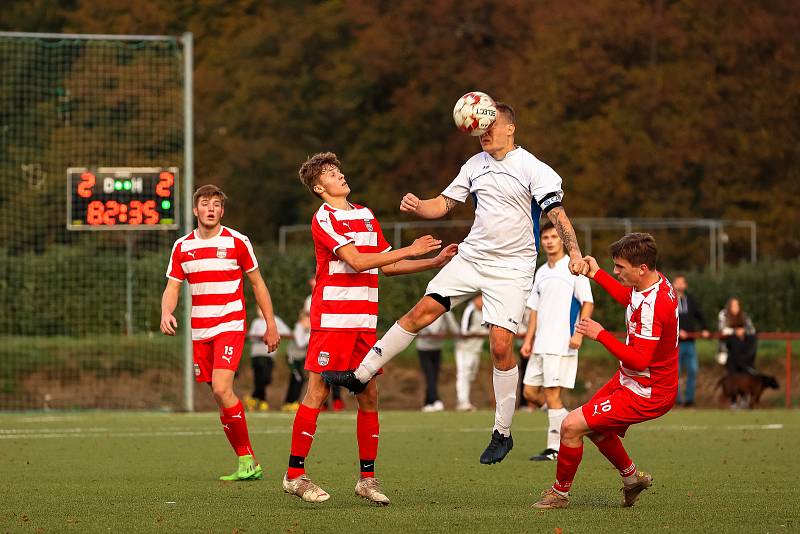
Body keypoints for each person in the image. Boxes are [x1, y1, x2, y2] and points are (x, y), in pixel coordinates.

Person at [323, 102, 589, 465]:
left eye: (490, 125)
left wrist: (574, 253)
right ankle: (360, 373)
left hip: (512, 267)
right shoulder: (473, 165)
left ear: (510, 128)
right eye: (479, 127)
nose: (483, 132)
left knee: (499, 346)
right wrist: (418, 205)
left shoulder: (534, 168)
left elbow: (557, 214)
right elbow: (443, 205)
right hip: (472, 256)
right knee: (421, 312)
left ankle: (503, 432)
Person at [282, 152, 457, 504]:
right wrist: (409, 248)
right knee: (318, 391)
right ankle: (295, 475)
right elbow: (359, 262)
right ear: (319, 187)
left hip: (364, 322)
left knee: (369, 395)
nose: (340, 175)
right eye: (331, 173)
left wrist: (432, 262)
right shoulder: (324, 218)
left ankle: (366, 480)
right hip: (333, 320)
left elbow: (387, 267)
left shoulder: (364, 215)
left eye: (339, 169)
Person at [534, 233, 678, 510]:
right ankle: (632, 478)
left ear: (641, 269)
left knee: (571, 426)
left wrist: (601, 334)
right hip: (631, 380)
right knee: (596, 428)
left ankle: (559, 494)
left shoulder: (654, 306)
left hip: (648, 390)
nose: (616, 271)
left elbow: (638, 360)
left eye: (620, 267)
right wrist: (597, 273)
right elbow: (629, 297)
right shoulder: (653, 283)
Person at [160, 184, 280, 481]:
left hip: (230, 323)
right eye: (205, 203)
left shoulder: (238, 241)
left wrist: (271, 323)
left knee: (221, 388)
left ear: (222, 211)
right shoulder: (182, 246)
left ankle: (247, 460)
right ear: (195, 209)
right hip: (200, 330)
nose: (210, 208)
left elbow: (257, 283)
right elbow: (173, 286)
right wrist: (166, 311)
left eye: (216, 204)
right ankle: (246, 461)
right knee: (219, 395)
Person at [520, 221, 594, 461]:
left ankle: (554, 448)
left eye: (554, 236)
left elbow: (588, 303)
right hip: (540, 344)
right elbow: (534, 310)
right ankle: (565, 419)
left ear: (562, 240)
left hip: (561, 343)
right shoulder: (541, 272)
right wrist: (528, 340)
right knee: (530, 393)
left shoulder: (574, 268)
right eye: (546, 238)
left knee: (552, 395)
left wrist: (579, 333)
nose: (550, 241)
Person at [672, 275, 709, 407]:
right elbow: (666, 320)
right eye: (678, 282)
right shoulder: (669, 299)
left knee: (693, 370)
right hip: (675, 344)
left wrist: (704, 328)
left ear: (685, 285)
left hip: (690, 343)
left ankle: (689, 399)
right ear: (673, 284)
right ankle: (675, 400)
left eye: (683, 282)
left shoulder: (690, 299)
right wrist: (678, 331)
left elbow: (699, 315)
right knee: (675, 373)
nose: (680, 285)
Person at [245, 309, 291, 411]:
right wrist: (261, 337)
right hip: (257, 354)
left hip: (269, 354)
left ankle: (253, 398)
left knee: (266, 378)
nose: (261, 312)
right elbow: (251, 337)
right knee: (258, 378)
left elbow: (287, 332)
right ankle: (262, 401)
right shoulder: (256, 322)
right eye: (259, 309)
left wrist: (274, 334)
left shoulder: (276, 320)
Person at [416, 311, 459, 412]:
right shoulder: (426, 310)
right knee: (429, 375)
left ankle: (428, 403)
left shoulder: (446, 313)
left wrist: (447, 316)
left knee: (434, 376)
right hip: (423, 348)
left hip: (437, 348)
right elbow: (433, 330)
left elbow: (454, 329)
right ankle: (436, 400)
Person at [455, 295, 488, 411]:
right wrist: (480, 332)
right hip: (465, 349)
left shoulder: (484, 312)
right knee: (464, 373)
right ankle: (463, 401)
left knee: (471, 375)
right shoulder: (470, 310)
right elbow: (464, 330)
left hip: (476, 350)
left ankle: (464, 399)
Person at [720, 298, 758, 376]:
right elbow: (722, 330)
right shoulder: (723, 314)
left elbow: (752, 330)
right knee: (733, 340)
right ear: (729, 306)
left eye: (737, 305)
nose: (735, 307)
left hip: (743, 347)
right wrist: (735, 331)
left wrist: (743, 331)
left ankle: (748, 365)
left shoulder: (744, 315)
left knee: (753, 338)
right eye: (733, 305)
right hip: (729, 348)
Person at [282, 309, 310, 413]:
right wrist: (310, 335)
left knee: (297, 379)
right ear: (301, 320)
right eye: (306, 321)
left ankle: (289, 402)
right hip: (292, 357)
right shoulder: (298, 327)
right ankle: (291, 402)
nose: (309, 323)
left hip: (300, 358)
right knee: (298, 378)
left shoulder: (307, 330)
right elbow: (300, 343)